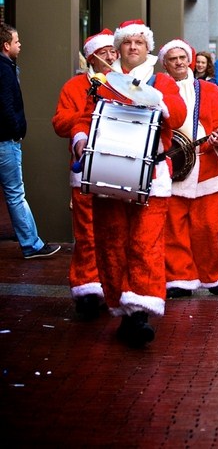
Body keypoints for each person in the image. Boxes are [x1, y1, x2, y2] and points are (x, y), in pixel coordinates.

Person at [71, 20, 186, 348]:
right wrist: (81, 139)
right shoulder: (103, 80)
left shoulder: (162, 79)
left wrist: (156, 99)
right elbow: (83, 117)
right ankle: (122, 306)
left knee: (145, 243)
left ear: (147, 48)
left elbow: (176, 115)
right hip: (108, 172)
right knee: (111, 242)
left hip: (151, 174)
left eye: (139, 42)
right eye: (127, 43)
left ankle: (140, 311)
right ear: (118, 48)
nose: (133, 47)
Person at [158, 40, 218, 299]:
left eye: (182, 57)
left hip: (207, 169)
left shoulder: (210, 91)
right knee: (174, 229)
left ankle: (213, 275)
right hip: (172, 170)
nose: (179, 62)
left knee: (211, 227)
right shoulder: (156, 90)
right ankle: (180, 277)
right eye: (172, 59)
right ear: (164, 63)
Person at [52, 29, 118, 318]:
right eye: (103, 53)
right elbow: (60, 121)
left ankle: (113, 287)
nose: (109, 57)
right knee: (87, 233)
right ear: (91, 58)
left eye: (112, 52)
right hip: (85, 170)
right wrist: (84, 119)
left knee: (115, 233)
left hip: (119, 169)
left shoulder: (125, 84)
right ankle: (88, 288)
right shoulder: (73, 86)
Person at [0, 24, 60, 259]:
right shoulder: (4, 70)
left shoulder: (7, 67)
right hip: (5, 142)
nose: (20, 45)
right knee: (16, 195)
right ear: (6, 46)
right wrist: (16, 130)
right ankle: (31, 245)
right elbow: (5, 105)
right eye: (17, 42)